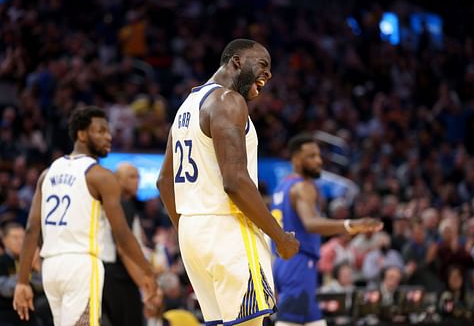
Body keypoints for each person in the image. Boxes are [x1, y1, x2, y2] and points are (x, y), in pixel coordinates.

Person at [157, 38, 300, 326]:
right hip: (227, 230)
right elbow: (234, 181)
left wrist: (188, 229)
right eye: (262, 65)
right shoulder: (228, 101)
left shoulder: (187, 106)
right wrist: (280, 238)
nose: (268, 75)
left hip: (193, 233)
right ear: (236, 61)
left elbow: (164, 182)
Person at [13, 106, 157, 325]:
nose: (108, 136)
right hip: (81, 265)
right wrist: (148, 272)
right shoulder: (100, 176)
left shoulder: (47, 173)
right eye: (100, 131)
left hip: (50, 268)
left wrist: (22, 282)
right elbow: (121, 234)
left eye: (108, 131)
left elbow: (32, 229)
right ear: (81, 134)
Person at [270, 134, 383, 326]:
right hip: (299, 263)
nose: (319, 161)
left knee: (315, 321)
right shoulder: (303, 186)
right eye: (311, 156)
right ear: (296, 159)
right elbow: (311, 223)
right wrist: (350, 225)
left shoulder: (282, 186)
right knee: (288, 322)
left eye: (319, 156)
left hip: (284, 263)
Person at [102, 163, 144, 326]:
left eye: (138, 177)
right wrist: (144, 282)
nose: (137, 181)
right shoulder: (123, 204)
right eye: (132, 177)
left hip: (107, 273)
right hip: (119, 275)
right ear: (118, 180)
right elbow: (123, 248)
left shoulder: (113, 202)